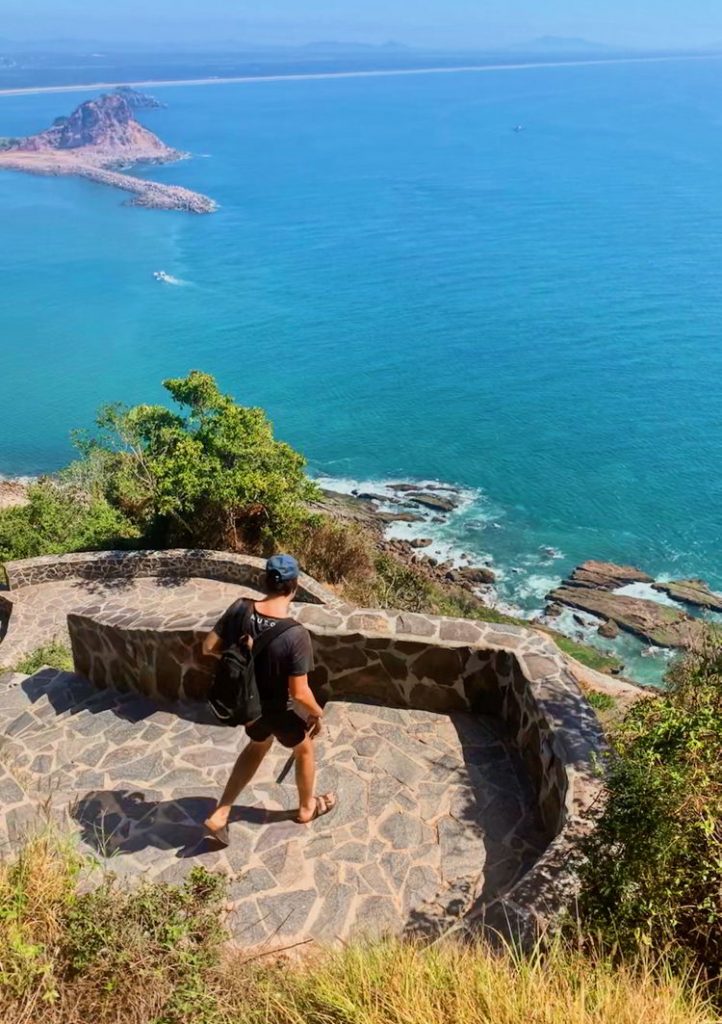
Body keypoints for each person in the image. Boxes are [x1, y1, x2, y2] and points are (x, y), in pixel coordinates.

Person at [202, 554, 336, 845]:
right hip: (276, 710)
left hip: (248, 705)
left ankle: (220, 814)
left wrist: (241, 658)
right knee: (304, 749)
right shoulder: (295, 635)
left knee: (257, 745)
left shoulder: (240, 608)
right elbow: (300, 692)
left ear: (265, 582)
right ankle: (306, 808)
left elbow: (208, 647)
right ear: (295, 587)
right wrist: (317, 714)